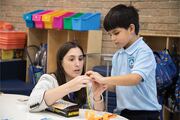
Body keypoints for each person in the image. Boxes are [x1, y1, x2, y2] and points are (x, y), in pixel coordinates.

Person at [86, 4, 162, 120]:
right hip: (123, 112)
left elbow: (135, 78)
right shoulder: (117, 55)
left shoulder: (143, 51)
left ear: (131, 29)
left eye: (116, 33)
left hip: (145, 114)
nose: (112, 38)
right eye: (110, 35)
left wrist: (104, 79)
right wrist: (100, 84)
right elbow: (116, 86)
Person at [28, 41, 106, 112]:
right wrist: (69, 87)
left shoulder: (87, 83)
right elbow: (32, 104)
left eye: (80, 59)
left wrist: (97, 97)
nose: (78, 64)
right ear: (61, 62)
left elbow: (100, 114)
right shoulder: (49, 79)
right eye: (71, 59)